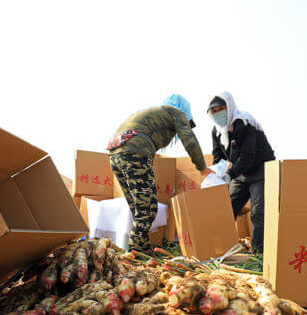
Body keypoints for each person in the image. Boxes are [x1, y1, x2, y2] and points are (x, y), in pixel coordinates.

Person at [107, 94, 206, 253]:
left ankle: (142, 246)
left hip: (115, 154)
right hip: (135, 153)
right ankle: (136, 253)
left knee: (137, 207)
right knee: (148, 208)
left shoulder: (151, 114)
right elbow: (190, 140)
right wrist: (202, 166)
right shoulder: (176, 112)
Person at [208, 91, 275, 254]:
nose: (218, 114)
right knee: (227, 209)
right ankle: (220, 250)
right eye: (213, 112)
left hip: (261, 171)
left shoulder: (244, 123)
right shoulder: (217, 131)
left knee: (258, 212)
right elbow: (218, 158)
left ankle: (259, 254)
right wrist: (215, 176)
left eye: (221, 109)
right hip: (241, 175)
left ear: (229, 106)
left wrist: (230, 175)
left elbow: (248, 156)